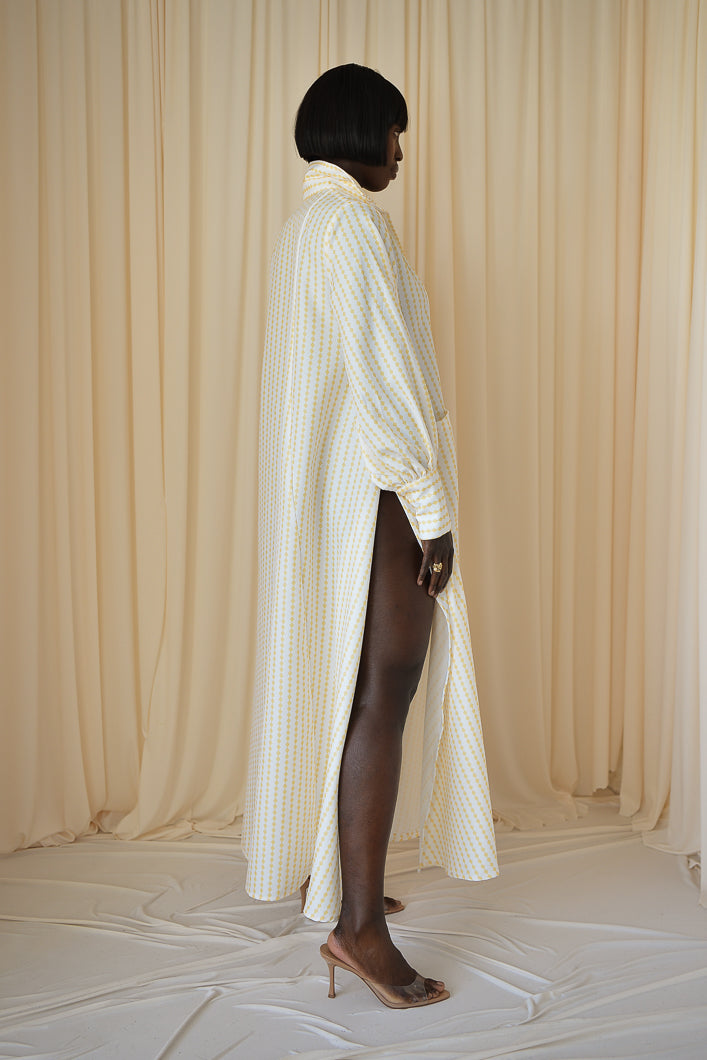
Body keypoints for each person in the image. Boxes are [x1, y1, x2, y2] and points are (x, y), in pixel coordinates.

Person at [243, 63, 498, 1009]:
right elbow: (387, 383)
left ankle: (337, 874)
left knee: (348, 686)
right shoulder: (355, 228)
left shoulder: (306, 225)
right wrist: (432, 513)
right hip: (378, 491)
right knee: (385, 690)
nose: (399, 152)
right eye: (394, 132)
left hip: (331, 495)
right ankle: (358, 929)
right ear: (360, 132)